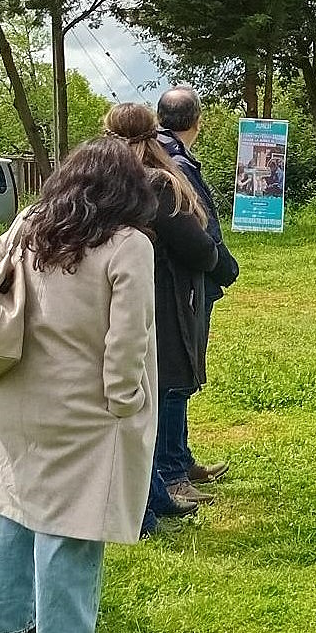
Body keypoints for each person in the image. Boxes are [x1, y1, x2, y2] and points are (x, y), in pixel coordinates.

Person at [0, 137, 162, 633]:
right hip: (83, 404)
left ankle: (6, 626)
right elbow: (127, 337)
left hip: (14, 388)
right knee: (72, 522)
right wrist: (124, 400)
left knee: (10, 505)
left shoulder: (27, 225)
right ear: (128, 189)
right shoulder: (128, 243)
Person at [102, 102, 221, 533]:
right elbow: (195, 242)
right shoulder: (156, 181)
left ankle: (153, 493)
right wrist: (213, 256)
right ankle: (147, 504)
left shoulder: (98, 177)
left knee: (137, 397)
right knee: (152, 393)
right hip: (159, 296)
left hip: (111, 295)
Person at [153, 88, 239, 508]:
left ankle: (180, 461)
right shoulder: (176, 164)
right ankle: (170, 474)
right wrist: (223, 266)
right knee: (176, 376)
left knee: (180, 372)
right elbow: (198, 229)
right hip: (181, 281)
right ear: (196, 122)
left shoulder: (163, 155)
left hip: (179, 279)